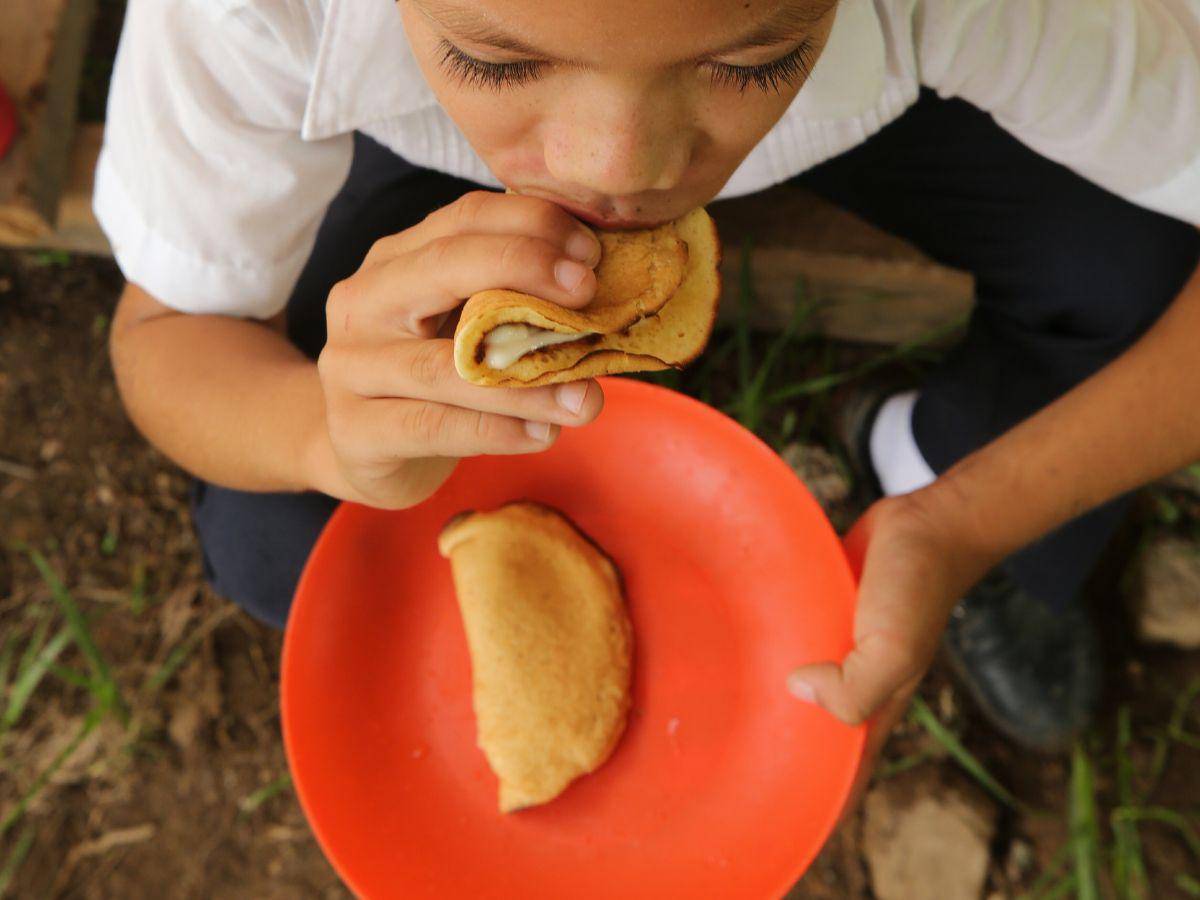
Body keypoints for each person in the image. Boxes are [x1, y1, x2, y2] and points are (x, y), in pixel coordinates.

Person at [98, 0, 1200, 789]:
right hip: (407, 152)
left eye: (755, 59)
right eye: (493, 59)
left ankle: (925, 454)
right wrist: (327, 434)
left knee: (1130, 277)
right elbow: (169, 333)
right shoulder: (253, 16)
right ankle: (512, 626)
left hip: (888, 91)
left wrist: (972, 516)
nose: (617, 171)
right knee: (274, 531)